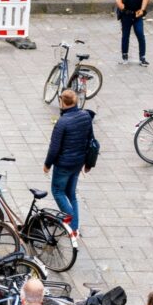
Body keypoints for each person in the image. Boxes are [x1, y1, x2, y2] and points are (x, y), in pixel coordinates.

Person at [43, 89, 94, 244]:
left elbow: (54, 147)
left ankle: (71, 225)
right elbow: (90, 139)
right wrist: (86, 162)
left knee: (57, 191)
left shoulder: (62, 122)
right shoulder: (86, 116)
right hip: (78, 162)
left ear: (62, 102)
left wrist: (47, 164)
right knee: (71, 194)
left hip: (64, 164)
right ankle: (75, 228)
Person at [115, 0, 150, 66]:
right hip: (126, 15)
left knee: (140, 34)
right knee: (125, 36)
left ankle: (142, 58)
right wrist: (121, 6)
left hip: (137, 15)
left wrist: (142, 10)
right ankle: (125, 56)